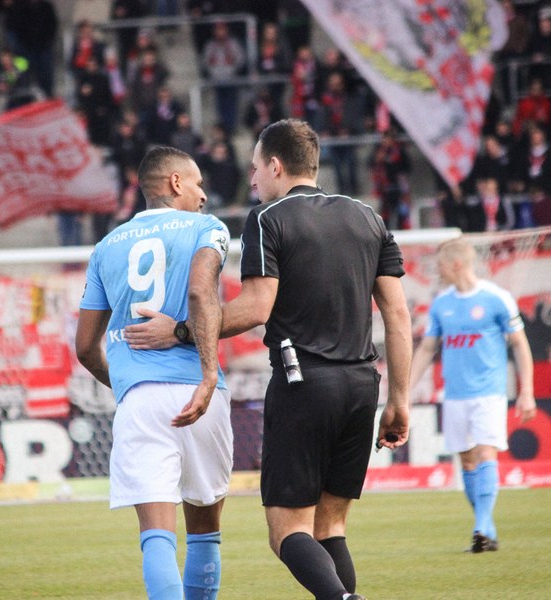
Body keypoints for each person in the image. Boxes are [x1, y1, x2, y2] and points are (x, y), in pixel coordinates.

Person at [125, 119, 412, 600]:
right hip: (363, 384)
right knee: (330, 527)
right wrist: (400, 400)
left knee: (287, 533)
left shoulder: (267, 218)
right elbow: (398, 315)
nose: (253, 180)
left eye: (256, 169)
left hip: (304, 384)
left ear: (276, 166)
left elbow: (257, 308)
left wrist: (180, 330)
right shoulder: (368, 217)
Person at [75, 146, 233, 600]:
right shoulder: (208, 227)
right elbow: (201, 294)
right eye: (198, 183)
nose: (203, 195)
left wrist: (129, 384)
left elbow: (85, 347)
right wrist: (207, 374)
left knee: (156, 534)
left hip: (140, 400)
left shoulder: (107, 246)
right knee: (204, 530)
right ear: (176, 183)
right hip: (201, 393)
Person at [408, 237, 535, 553]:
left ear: (455, 264)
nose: (437, 271)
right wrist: (405, 390)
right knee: (466, 459)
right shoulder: (441, 304)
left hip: (489, 393)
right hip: (455, 395)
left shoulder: (497, 298)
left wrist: (527, 391)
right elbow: (427, 348)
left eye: (440, 265)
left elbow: (519, 344)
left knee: (485, 452)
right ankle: (486, 530)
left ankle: (480, 528)